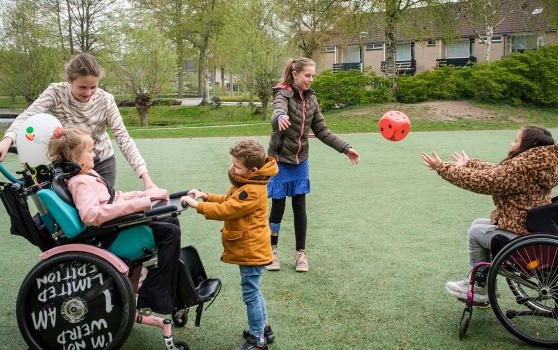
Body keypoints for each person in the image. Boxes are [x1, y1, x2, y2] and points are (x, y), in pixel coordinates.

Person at [422, 126, 558, 303]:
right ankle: (485, 284)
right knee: (478, 223)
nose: (512, 143)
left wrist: (443, 168)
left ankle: (480, 288)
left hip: (522, 233)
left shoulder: (522, 168)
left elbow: (486, 181)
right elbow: (498, 173)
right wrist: (470, 164)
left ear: (528, 145)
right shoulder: (539, 164)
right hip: (529, 226)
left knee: (475, 233)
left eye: (516, 140)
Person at [48, 126, 181, 315]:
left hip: (115, 228)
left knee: (171, 220)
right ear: (75, 157)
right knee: (171, 231)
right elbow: (91, 215)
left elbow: (114, 197)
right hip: (110, 236)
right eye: (90, 151)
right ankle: (154, 294)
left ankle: (161, 289)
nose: (94, 154)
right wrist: (141, 203)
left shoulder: (88, 175)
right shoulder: (79, 183)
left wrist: (147, 195)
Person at [0, 53, 156, 189]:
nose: (89, 93)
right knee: (71, 218)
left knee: (103, 214)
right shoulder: (56, 93)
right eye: (82, 87)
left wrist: (146, 178)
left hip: (102, 161)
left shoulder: (106, 100)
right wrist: (7, 140)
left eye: (94, 87)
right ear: (70, 81)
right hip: (69, 164)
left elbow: (123, 138)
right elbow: (27, 116)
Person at [181, 139, 278, 350]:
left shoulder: (253, 190)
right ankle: (263, 328)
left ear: (252, 169)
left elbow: (228, 210)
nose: (232, 168)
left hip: (251, 251)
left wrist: (198, 205)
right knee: (254, 290)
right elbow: (228, 200)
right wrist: (205, 195)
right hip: (251, 248)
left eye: (237, 166)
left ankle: (257, 339)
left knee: (250, 292)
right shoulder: (250, 181)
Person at [266, 57, 360, 272]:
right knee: (278, 208)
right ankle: (271, 251)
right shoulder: (283, 94)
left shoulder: (312, 100)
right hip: (279, 160)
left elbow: (322, 131)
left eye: (312, 76)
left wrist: (346, 148)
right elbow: (277, 111)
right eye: (307, 75)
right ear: (295, 74)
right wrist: (279, 117)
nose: (310, 80)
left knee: (299, 206)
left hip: (300, 161)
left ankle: (301, 254)